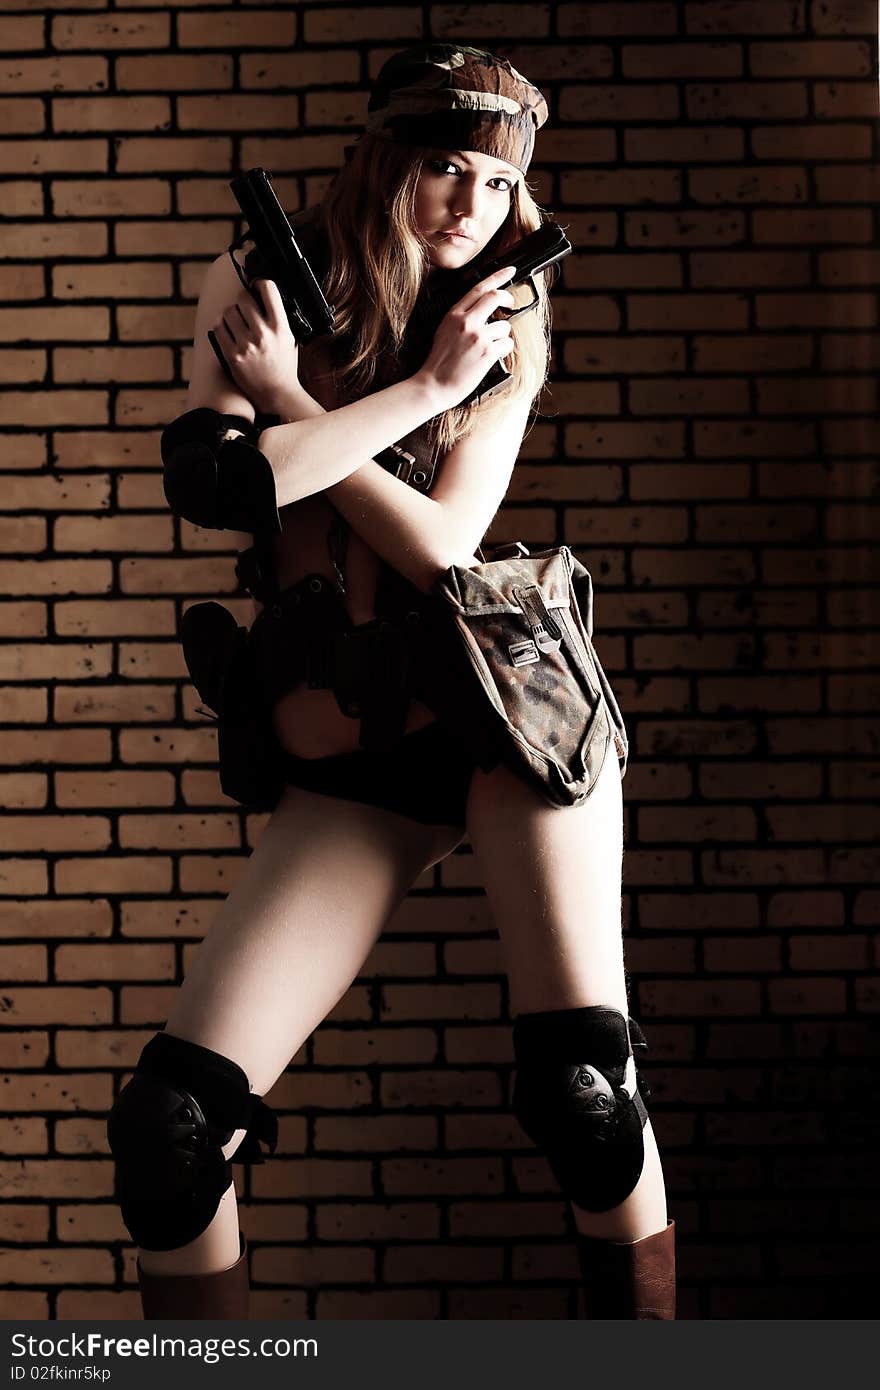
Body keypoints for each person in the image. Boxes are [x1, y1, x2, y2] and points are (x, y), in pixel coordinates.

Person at [106, 43, 676, 1321]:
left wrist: (315, 404)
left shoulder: (498, 324)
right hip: (348, 745)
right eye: (441, 170)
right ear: (385, 162)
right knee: (170, 1129)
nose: (468, 207)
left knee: (584, 1100)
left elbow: (440, 549)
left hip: (505, 722)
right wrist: (348, 406)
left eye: (493, 184)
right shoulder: (262, 275)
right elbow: (222, 484)